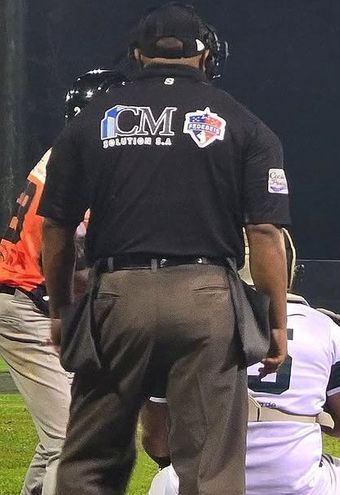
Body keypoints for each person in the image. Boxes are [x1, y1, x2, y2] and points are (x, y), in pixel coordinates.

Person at [37, 3, 291, 493]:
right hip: (206, 297)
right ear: (206, 55)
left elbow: (56, 228)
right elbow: (264, 232)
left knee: (90, 461)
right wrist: (275, 322)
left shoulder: (92, 119)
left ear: (137, 54)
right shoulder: (244, 123)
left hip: (116, 297)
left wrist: (61, 311)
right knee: (211, 467)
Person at [143, 231, 340, 495]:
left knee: (165, 481)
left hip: (206, 484)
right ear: (288, 268)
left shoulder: (181, 329)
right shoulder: (322, 327)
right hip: (297, 486)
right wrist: (303, 418)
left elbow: (157, 439)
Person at [0, 68, 127, 495]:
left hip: (26, 296)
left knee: (58, 432)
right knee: (70, 441)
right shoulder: (80, 162)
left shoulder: (67, 152)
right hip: (27, 301)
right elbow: (66, 258)